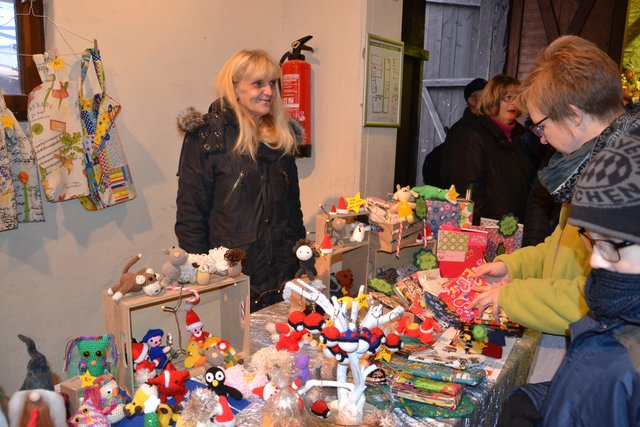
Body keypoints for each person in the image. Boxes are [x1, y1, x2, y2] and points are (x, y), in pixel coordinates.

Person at [471, 35, 640, 344]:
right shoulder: (589, 166)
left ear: (574, 115)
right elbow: (561, 249)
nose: (541, 138)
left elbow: (597, 295)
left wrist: (513, 296)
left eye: (541, 125)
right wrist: (513, 268)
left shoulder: (623, 184)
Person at [498, 130, 640, 427]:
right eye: (591, 241)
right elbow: (586, 396)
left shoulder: (627, 357)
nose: (595, 260)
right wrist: (533, 399)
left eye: (609, 246)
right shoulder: (610, 315)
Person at [175, 49, 306, 312]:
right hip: (232, 278)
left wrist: (302, 264)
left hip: (282, 279)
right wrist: (202, 275)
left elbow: (293, 212)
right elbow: (190, 215)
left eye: (272, 83)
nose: (268, 91)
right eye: (258, 83)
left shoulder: (281, 136)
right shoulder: (207, 137)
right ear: (234, 86)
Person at [440, 74, 532, 224]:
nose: (513, 103)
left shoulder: (524, 136)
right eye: (507, 98)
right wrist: (491, 225)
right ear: (493, 100)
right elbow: (468, 190)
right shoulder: (474, 136)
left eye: (517, 97)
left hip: (518, 225)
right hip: (488, 227)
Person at [422, 78, 486, 187]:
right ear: (471, 101)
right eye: (484, 96)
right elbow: (454, 172)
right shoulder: (464, 130)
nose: (489, 101)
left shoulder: (484, 126)